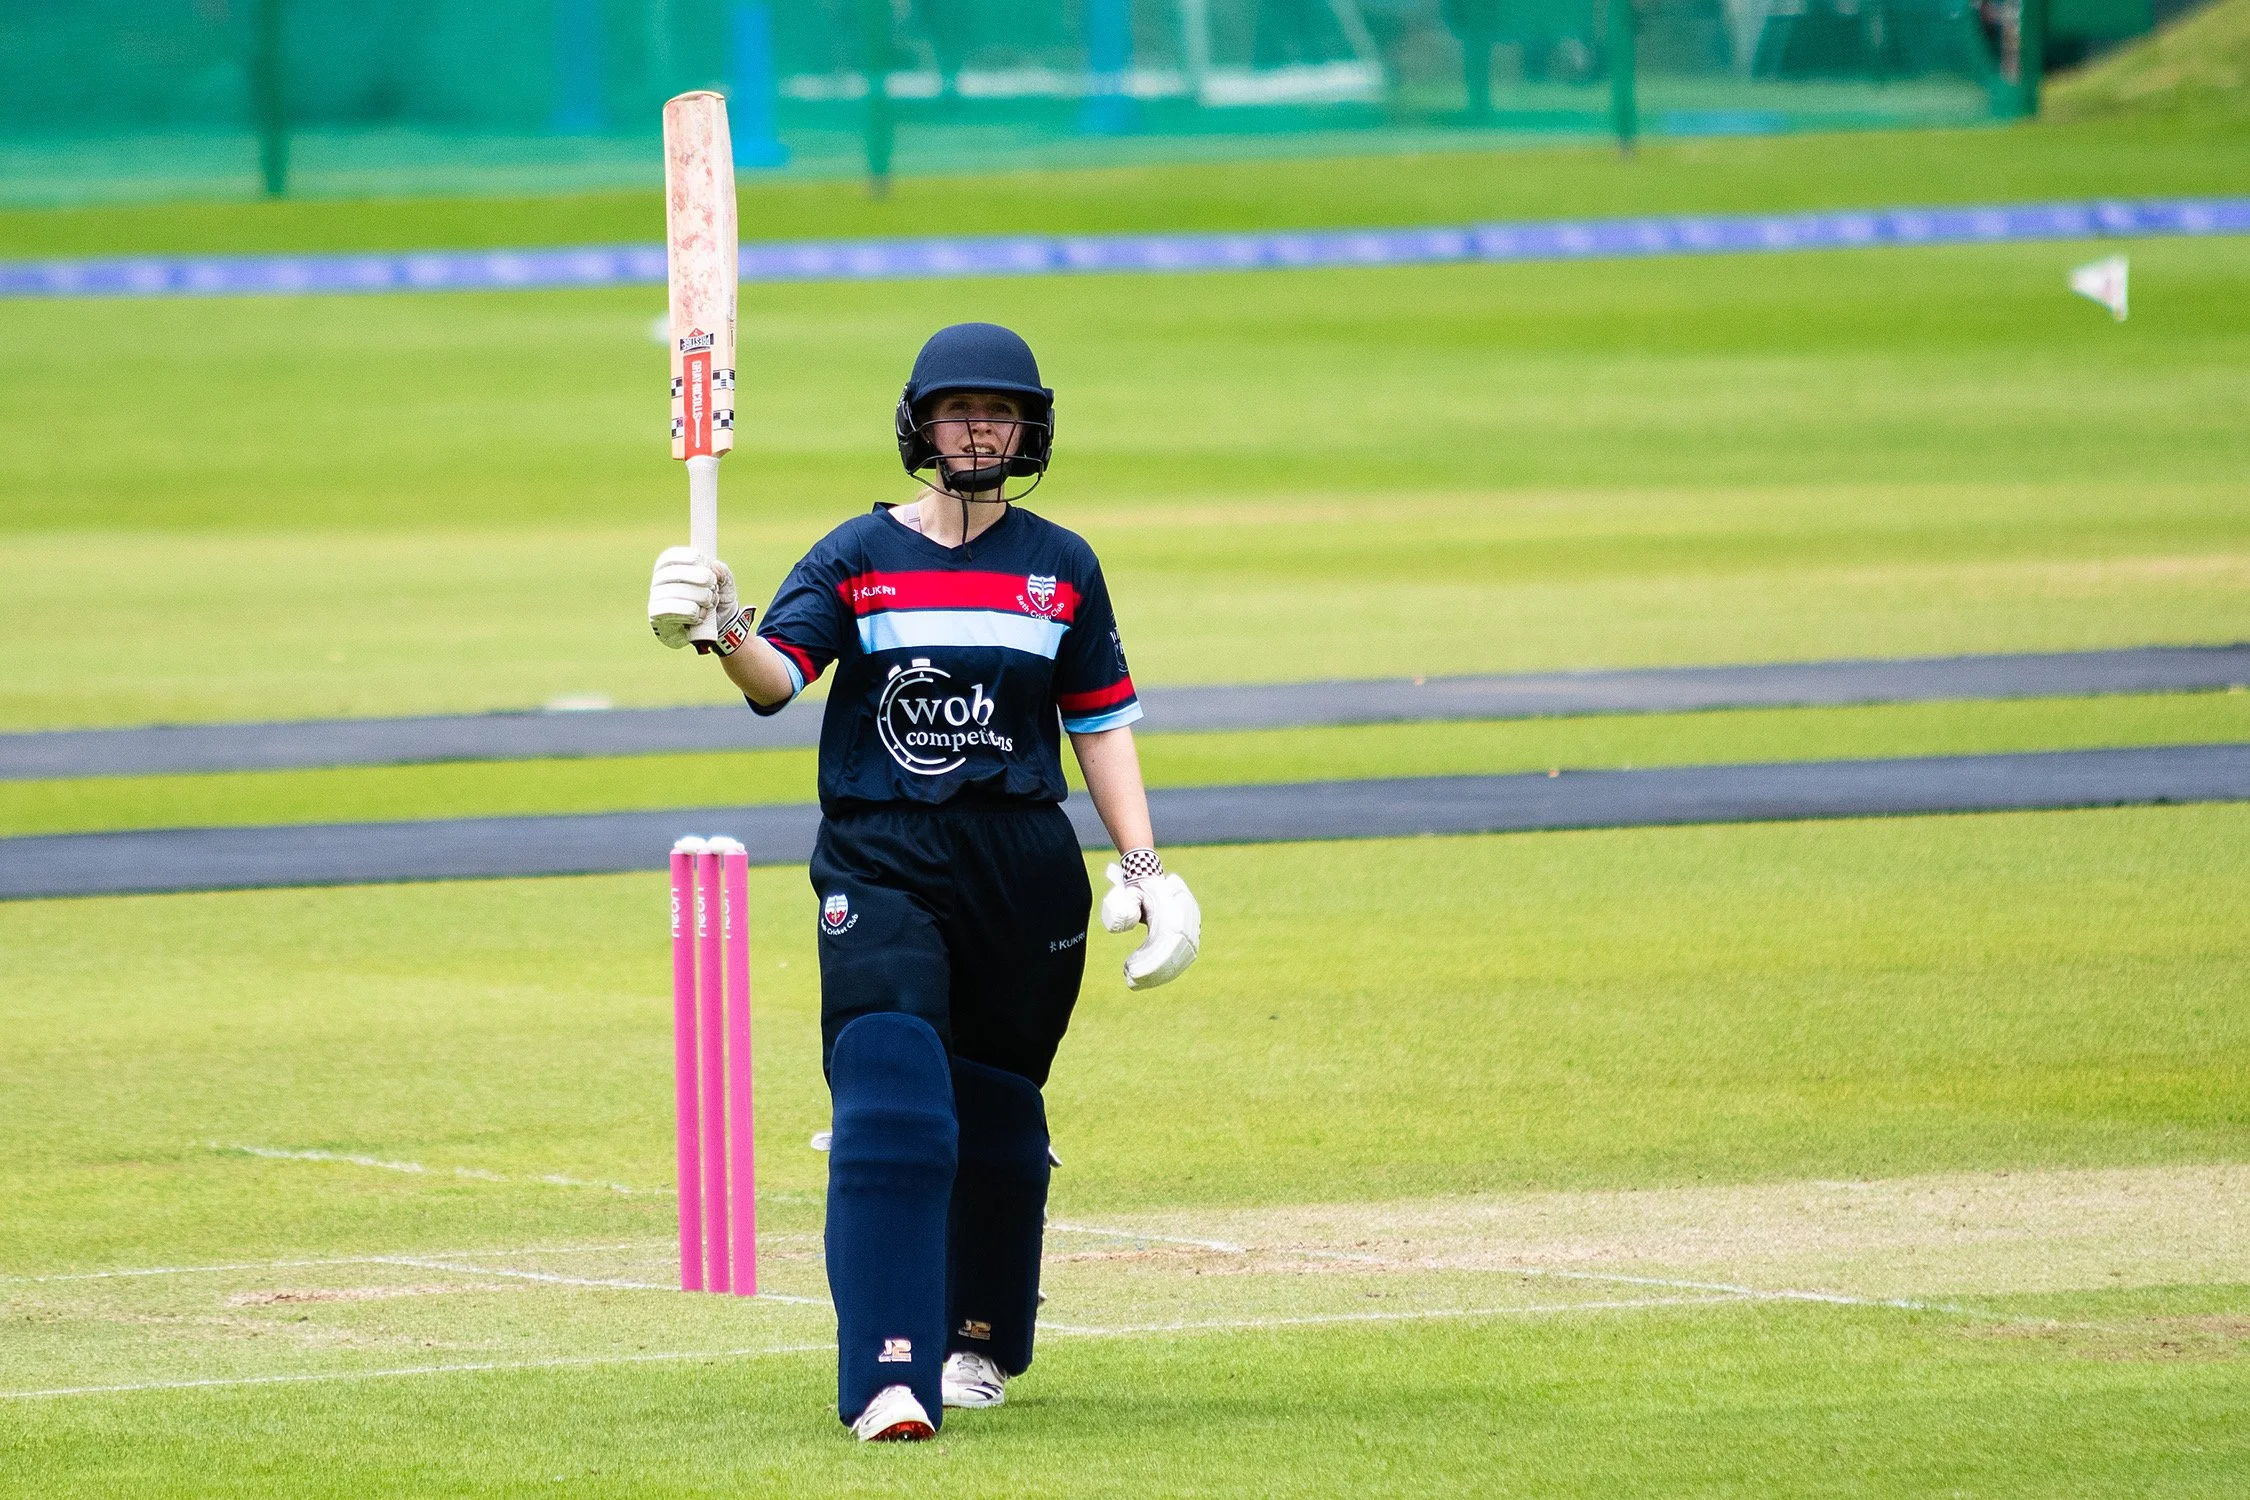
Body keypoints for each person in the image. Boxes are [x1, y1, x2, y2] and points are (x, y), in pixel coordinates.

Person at [645, 322, 1202, 1441]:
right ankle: (887, 1377)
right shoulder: (858, 554)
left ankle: (977, 1342)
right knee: (894, 1092)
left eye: (1000, 413)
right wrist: (722, 625)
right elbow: (775, 681)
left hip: (1023, 864)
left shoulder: (1063, 566)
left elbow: (1099, 726)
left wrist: (1146, 868)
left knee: (997, 1120)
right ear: (920, 425)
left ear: (1030, 428)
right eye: (960, 412)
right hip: (883, 854)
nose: (981, 431)